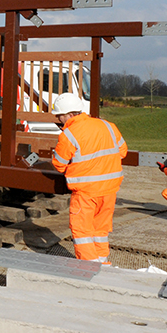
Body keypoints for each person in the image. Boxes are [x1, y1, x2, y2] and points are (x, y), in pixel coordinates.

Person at [51, 92, 127, 264]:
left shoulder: (69, 134)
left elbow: (59, 164)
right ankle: (102, 263)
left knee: (82, 231)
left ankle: (90, 269)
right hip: (109, 191)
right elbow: (122, 151)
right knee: (100, 230)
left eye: (59, 116)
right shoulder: (108, 125)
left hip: (86, 193)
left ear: (68, 115)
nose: (59, 120)